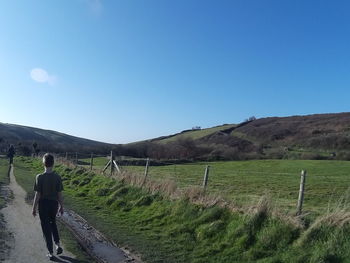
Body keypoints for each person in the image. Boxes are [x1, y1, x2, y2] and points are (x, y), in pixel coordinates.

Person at [32, 153, 64, 260]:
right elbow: (59, 194)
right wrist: (61, 206)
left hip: (43, 205)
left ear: (43, 163)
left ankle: (50, 252)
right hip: (54, 204)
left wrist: (34, 207)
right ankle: (58, 244)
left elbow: (38, 194)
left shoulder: (39, 177)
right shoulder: (57, 177)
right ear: (53, 163)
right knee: (53, 223)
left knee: (46, 227)